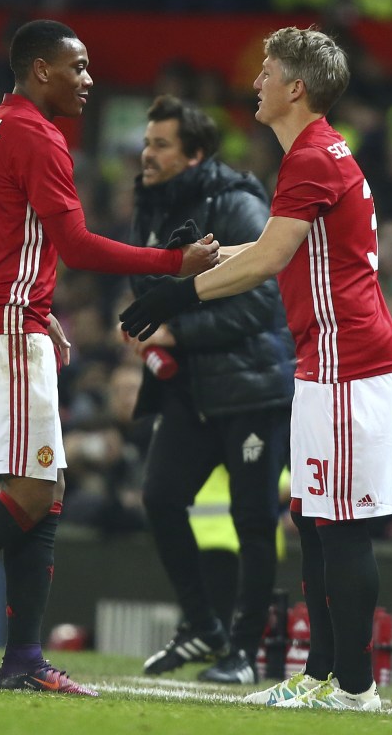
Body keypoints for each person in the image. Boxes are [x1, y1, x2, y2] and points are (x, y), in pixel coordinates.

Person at [0, 19, 218, 694]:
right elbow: (78, 245)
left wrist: (37, 303)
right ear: (41, 70)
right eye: (77, 67)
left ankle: (23, 657)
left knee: (44, 495)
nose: (88, 80)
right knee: (30, 491)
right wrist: (175, 264)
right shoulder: (37, 135)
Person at [121, 27, 392, 712]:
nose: (255, 81)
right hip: (327, 359)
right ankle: (318, 678)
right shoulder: (316, 153)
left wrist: (177, 293)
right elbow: (280, 244)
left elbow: (271, 261)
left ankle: (357, 689)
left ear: (295, 87)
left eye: (267, 71)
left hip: (346, 361)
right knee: (311, 519)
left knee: (338, 525)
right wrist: (208, 259)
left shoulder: (310, 157)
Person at [125, 93, 293, 685]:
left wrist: (176, 329)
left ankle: (243, 654)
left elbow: (262, 303)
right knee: (161, 497)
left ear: (194, 154)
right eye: (147, 143)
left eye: (161, 145)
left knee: (253, 519)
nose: (147, 155)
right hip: (192, 391)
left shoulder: (238, 204)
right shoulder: (150, 206)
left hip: (249, 386)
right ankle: (202, 626)